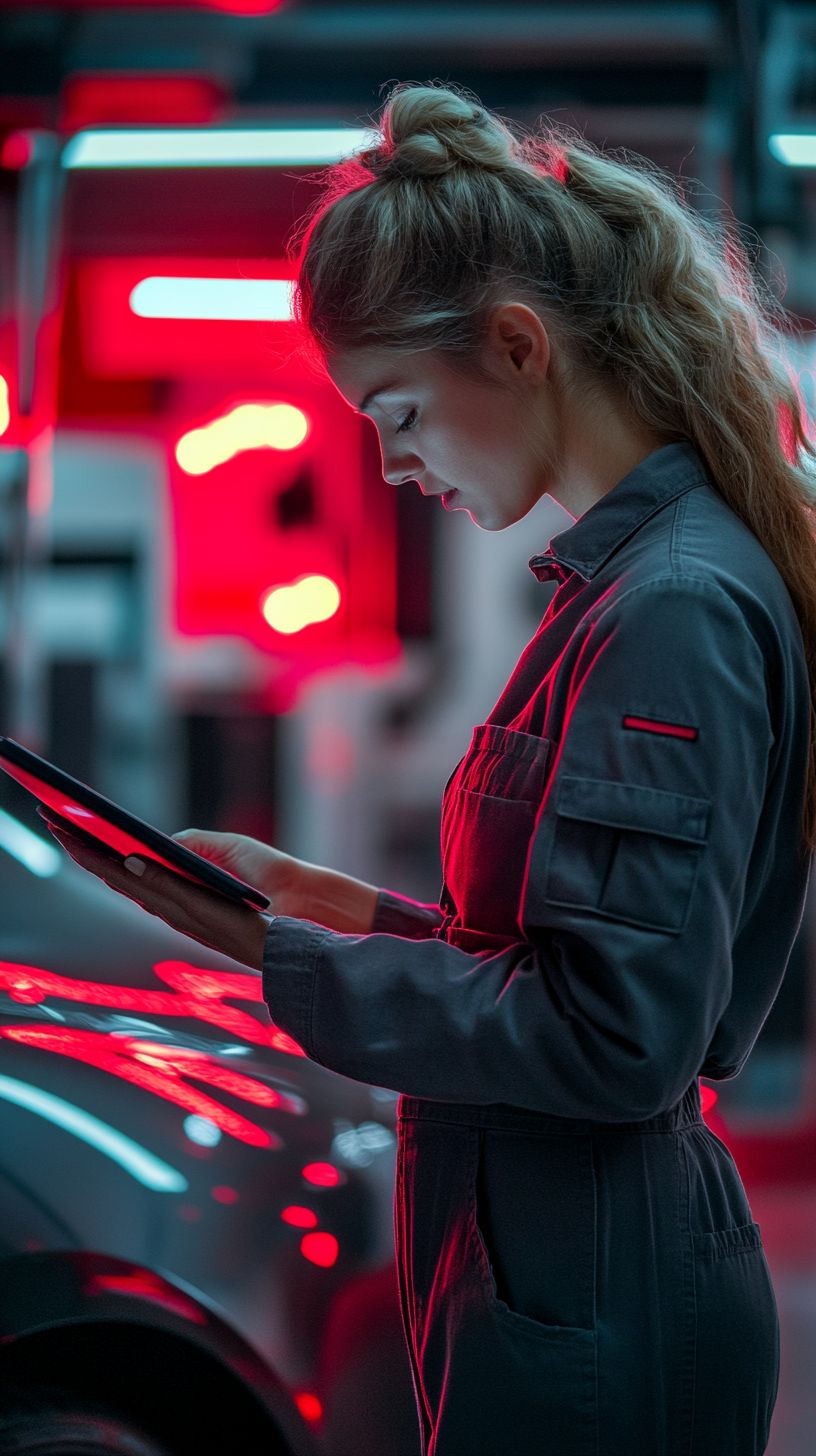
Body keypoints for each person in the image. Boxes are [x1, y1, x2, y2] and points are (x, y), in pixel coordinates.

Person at [50, 85, 816, 1455]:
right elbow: (556, 964)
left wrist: (274, 954)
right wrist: (321, 904)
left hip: (597, 1307)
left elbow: (612, 1041)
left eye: (397, 410)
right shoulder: (626, 596)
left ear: (518, 346)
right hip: (566, 1278)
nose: (393, 464)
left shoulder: (673, 609)